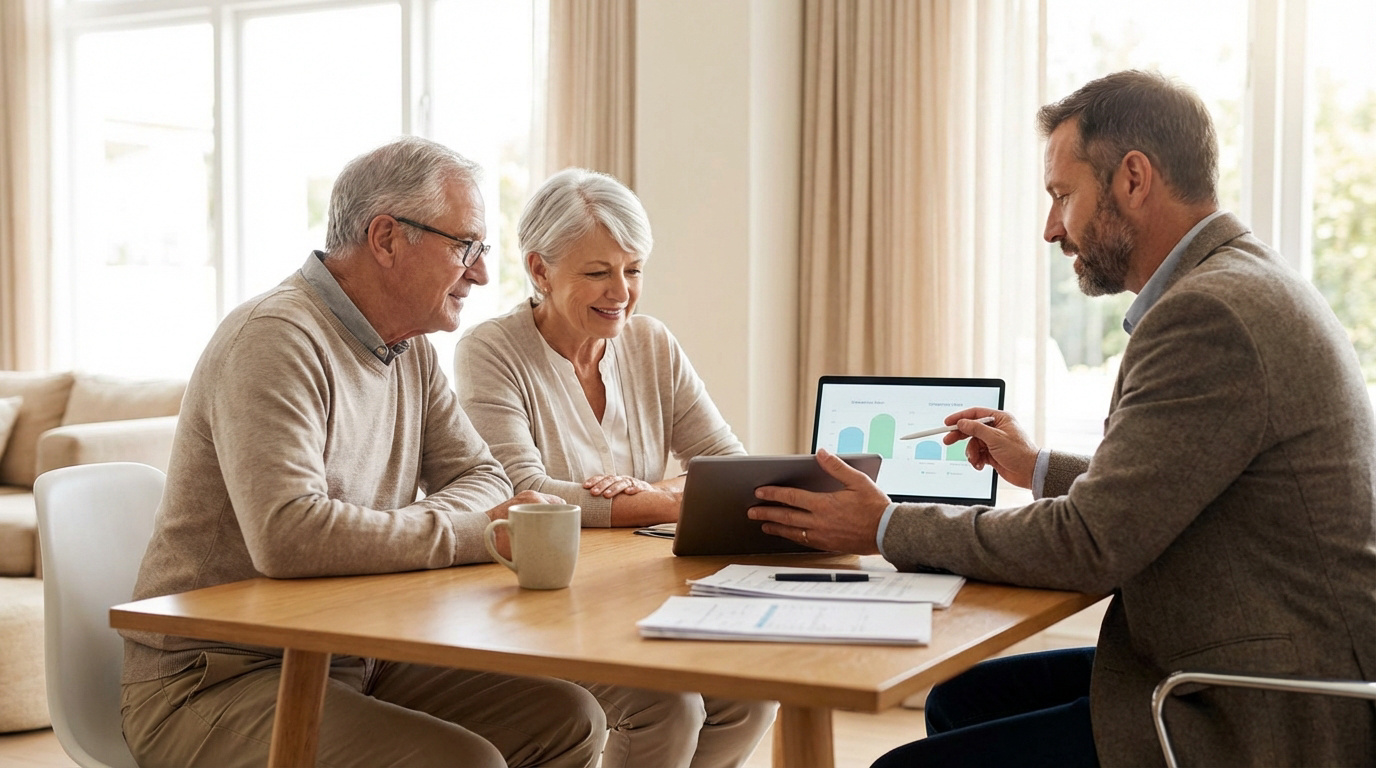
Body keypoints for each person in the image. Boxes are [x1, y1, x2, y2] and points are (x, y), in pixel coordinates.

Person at [749, 70, 1376, 767]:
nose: (1052, 228)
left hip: (1257, 707)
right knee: (959, 699)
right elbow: (1176, 486)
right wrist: (1036, 467)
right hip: (1253, 656)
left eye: (1062, 196)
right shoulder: (1243, 280)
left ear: (1133, 178)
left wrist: (884, 524)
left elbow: (1088, 544)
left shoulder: (1209, 314)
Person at [119, 137, 608, 768]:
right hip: (212, 677)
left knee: (570, 720)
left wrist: (417, 528)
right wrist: (472, 532)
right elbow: (290, 536)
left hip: (349, 654)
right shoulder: (276, 340)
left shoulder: (410, 351)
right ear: (386, 238)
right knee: (463, 762)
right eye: (467, 247)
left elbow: (485, 475)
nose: (483, 273)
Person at [453, 167, 776, 768]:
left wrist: (649, 490)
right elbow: (528, 494)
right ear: (540, 270)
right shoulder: (490, 350)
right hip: (542, 600)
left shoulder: (651, 343)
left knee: (751, 694)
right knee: (671, 707)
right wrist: (669, 500)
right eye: (598, 273)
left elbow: (727, 465)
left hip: (645, 590)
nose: (621, 291)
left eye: (633, 270)